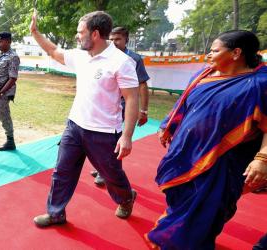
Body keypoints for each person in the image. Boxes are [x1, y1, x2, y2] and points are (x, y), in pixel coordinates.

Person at [146, 30, 267, 249]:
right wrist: (169, 124)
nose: (208, 55)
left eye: (214, 50)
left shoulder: (260, 84)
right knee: (182, 201)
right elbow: (185, 102)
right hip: (185, 153)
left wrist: (262, 158)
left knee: (205, 212)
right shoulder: (205, 74)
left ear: (236, 53)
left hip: (223, 163)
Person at [29, 10, 140, 227]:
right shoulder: (80, 56)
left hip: (105, 133)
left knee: (112, 176)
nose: (77, 36)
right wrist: (35, 33)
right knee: (62, 172)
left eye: (81, 32)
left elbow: (132, 99)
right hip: (75, 126)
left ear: (96, 34)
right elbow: (53, 51)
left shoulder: (121, 62)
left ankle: (126, 198)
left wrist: (127, 136)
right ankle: (56, 213)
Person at [91, 26, 151, 186]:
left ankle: (106, 173)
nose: (113, 42)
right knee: (98, 137)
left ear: (126, 40)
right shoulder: (104, 55)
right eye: (111, 39)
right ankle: (101, 167)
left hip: (124, 105)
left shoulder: (134, 59)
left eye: (117, 39)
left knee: (113, 139)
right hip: (104, 105)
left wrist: (143, 110)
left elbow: (143, 85)